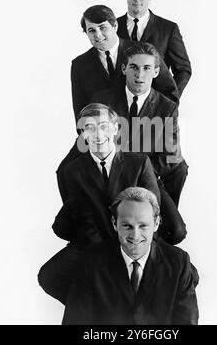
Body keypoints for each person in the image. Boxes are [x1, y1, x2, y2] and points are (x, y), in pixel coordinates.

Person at [38, 104, 186, 304]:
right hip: (97, 237)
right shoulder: (74, 171)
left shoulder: (139, 162)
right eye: (89, 127)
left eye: (104, 126)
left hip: (135, 234)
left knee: (185, 275)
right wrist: (105, 258)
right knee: (49, 275)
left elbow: (150, 210)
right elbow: (85, 220)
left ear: (116, 129)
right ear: (82, 134)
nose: (98, 134)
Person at [57, 4, 179, 203]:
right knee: (65, 170)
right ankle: (84, 215)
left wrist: (151, 127)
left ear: (115, 26)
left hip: (145, 128)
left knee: (176, 166)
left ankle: (157, 218)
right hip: (103, 133)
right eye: (91, 30)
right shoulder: (80, 65)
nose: (98, 35)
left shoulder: (138, 52)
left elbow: (169, 93)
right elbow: (80, 111)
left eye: (103, 28)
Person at [62, 187, 199, 325]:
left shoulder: (179, 262)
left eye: (143, 226)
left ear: (156, 224)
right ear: (115, 224)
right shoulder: (90, 262)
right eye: (127, 226)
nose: (135, 235)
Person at [94, 42, 188, 207]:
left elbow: (170, 156)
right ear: (124, 69)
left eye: (147, 68)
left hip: (148, 174)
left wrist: (139, 171)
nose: (140, 75)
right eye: (134, 67)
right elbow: (93, 143)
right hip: (110, 172)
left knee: (178, 231)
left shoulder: (167, 107)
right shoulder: (103, 101)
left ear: (156, 71)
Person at [117, 0, 192, 97]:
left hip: (156, 108)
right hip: (119, 107)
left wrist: (170, 100)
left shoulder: (168, 29)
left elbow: (183, 70)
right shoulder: (112, 28)